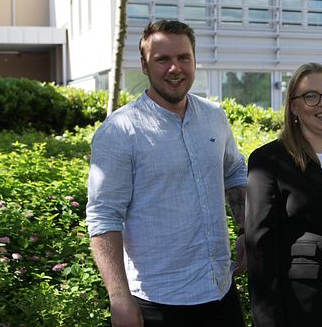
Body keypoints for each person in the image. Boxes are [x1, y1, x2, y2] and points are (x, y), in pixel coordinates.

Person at [86, 20, 248, 327]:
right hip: (159, 303)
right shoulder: (120, 130)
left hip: (220, 292)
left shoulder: (214, 117)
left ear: (194, 61)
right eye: (163, 59)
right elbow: (103, 217)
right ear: (145, 65)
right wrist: (119, 298)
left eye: (183, 57)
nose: (175, 68)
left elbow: (234, 171)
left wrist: (245, 230)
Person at [245, 62, 322, 327]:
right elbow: (261, 251)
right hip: (301, 310)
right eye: (310, 96)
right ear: (293, 106)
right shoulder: (269, 161)